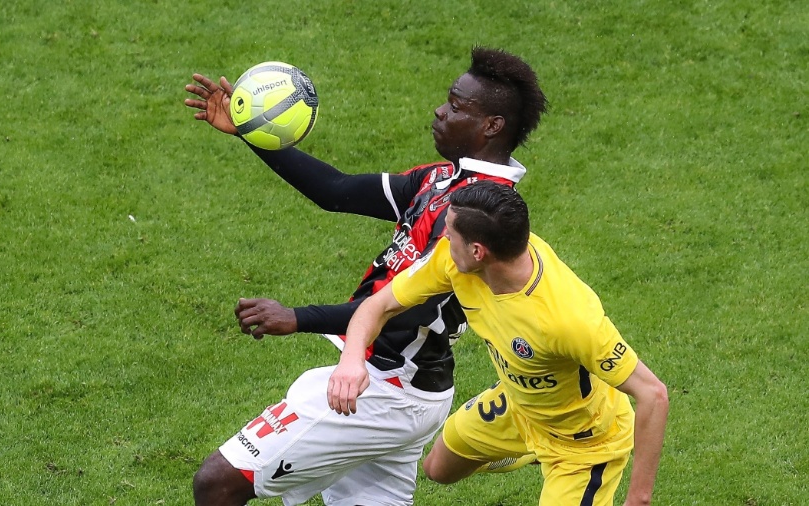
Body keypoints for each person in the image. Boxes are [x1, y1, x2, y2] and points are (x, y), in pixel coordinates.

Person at [184, 47, 547, 506]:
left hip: (384, 389)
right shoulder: (441, 180)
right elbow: (334, 190)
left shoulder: (479, 213)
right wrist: (253, 131)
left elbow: (404, 308)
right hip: (406, 388)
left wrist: (297, 317)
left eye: (456, 106)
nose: (440, 110)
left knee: (217, 482)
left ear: (492, 125)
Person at [328, 181, 669, 506]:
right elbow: (379, 305)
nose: (443, 236)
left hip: (583, 443)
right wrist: (352, 360)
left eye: (450, 230)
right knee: (437, 470)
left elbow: (653, 394)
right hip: (517, 402)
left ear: (478, 251)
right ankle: (527, 451)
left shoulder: (568, 319)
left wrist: (638, 499)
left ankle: (550, 459)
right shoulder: (454, 261)